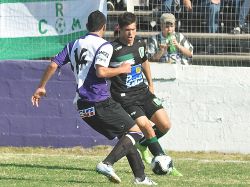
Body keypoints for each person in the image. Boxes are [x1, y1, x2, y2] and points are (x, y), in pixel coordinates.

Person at [31, 10, 156, 185]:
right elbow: (101, 71)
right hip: (99, 101)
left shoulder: (73, 44)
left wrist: (41, 86)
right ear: (104, 27)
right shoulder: (105, 45)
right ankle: (107, 163)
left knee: (125, 136)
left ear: (87, 26)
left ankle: (140, 177)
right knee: (136, 131)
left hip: (82, 107)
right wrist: (122, 69)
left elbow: (53, 64)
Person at [109, 12, 183, 176]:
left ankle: (143, 144)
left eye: (133, 29)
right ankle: (164, 162)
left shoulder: (140, 45)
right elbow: (101, 71)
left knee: (165, 125)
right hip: (126, 98)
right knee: (147, 127)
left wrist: (151, 84)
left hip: (143, 92)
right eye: (127, 30)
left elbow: (145, 62)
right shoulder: (111, 49)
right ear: (119, 29)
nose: (131, 34)